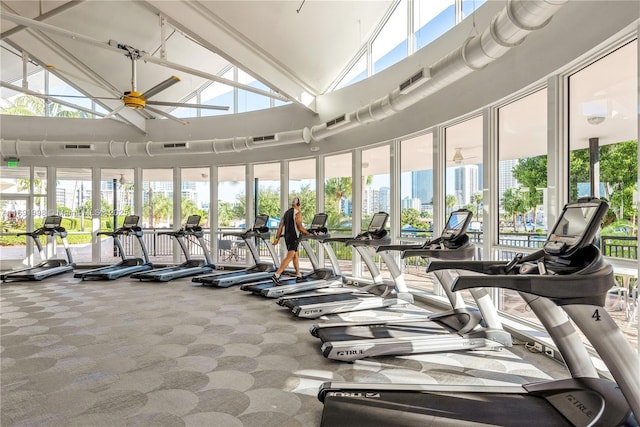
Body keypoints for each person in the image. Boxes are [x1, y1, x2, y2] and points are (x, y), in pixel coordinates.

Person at [271, 197, 311, 283]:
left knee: (295, 256)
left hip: (287, 237)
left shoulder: (286, 213)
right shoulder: (298, 213)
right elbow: (300, 227)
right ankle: (276, 275)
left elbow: (280, 227)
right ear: (298, 205)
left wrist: (277, 238)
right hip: (294, 237)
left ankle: (298, 275)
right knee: (290, 257)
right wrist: (308, 233)